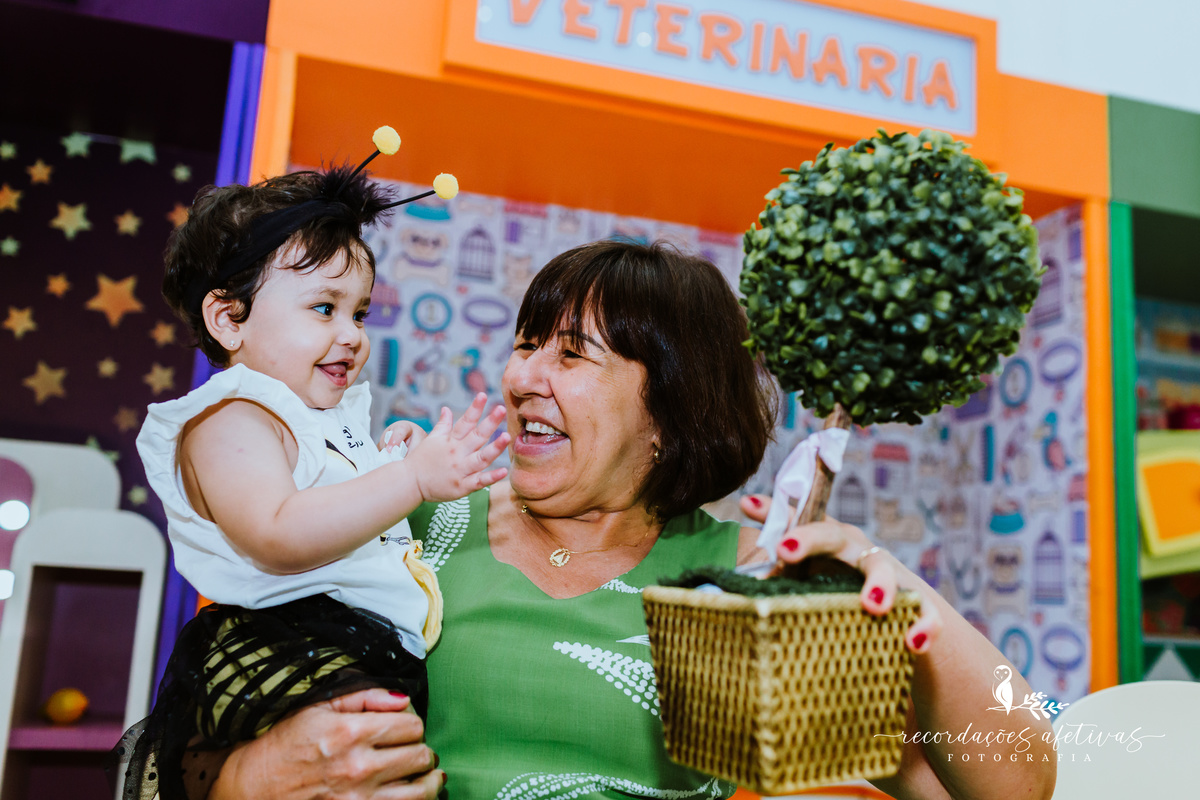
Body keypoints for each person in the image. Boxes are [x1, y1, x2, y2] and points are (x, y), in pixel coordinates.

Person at [206, 239, 1057, 800]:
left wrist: (895, 586)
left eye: (572, 354)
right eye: (527, 342)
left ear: (667, 414)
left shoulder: (752, 580)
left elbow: (1015, 784)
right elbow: (189, 731)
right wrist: (247, 779)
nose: (523, 376)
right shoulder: (410, 521)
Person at [121, 165, 509, 800]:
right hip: (288, 646)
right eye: (324, 308)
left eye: (359, 312)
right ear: (229, 318)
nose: (352, 335)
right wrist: (409, 480)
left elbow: (333, 502)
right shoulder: (232, 418)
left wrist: (386, 462)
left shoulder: (323, 416)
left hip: (359, 651)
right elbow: (278, 531)